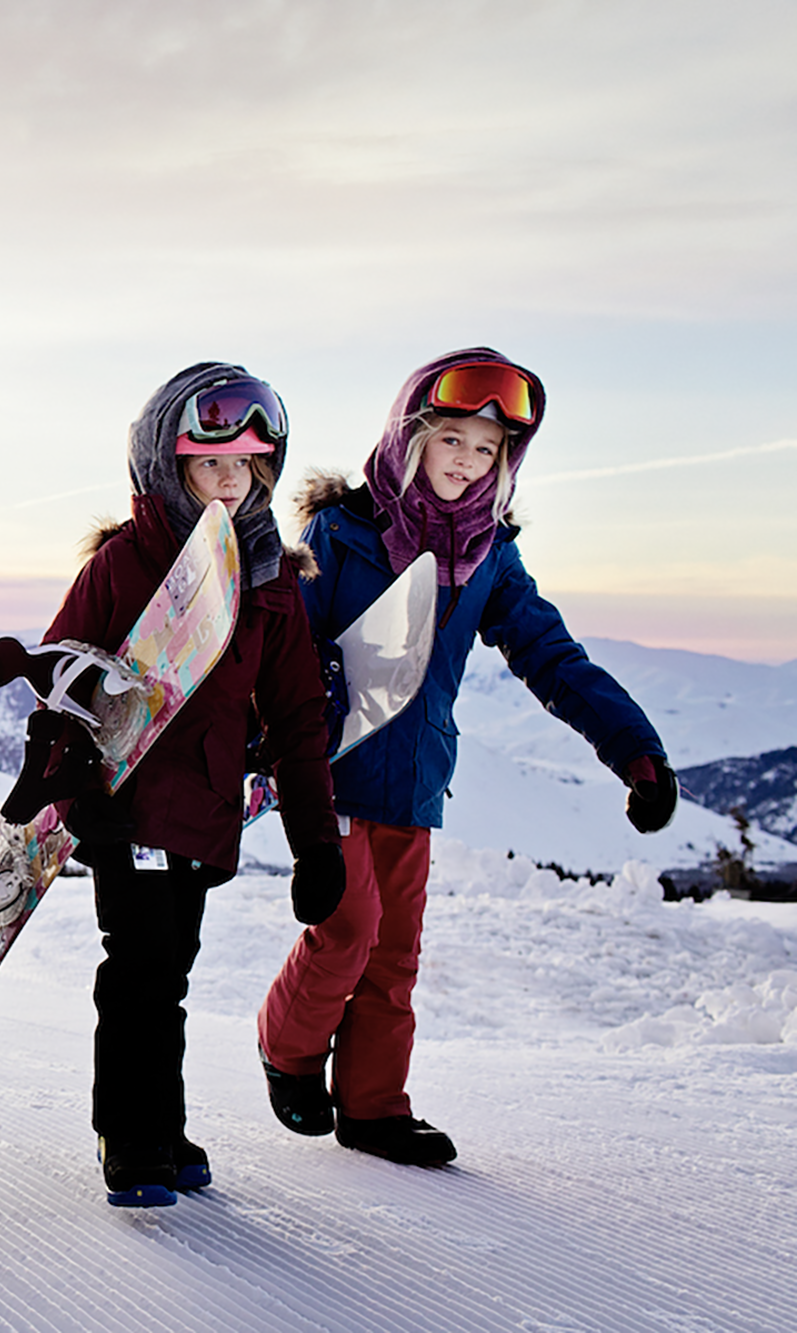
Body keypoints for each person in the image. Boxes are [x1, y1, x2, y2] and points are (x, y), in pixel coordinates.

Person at [256, 349, 677, 1167]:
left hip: (415, 779)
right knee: (348, 929)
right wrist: (275, 727)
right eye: (453, 439)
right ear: (412, 436)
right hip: (333, 769)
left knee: (395, 954)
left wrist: (635, 751)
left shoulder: (489, 556)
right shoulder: (343, 531)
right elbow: (287, 639)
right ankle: (290, 1051)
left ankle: (374, 1108)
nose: (468, 461)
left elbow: (552, 655)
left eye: (488, 450)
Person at [14, 364, 344, 1208]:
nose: (231, 482)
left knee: (173, 969)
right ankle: (128, 1131)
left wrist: (317, 845)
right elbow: (57, 676)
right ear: (169, 466)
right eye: (210, 464)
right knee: (140, 965)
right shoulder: (125, 565)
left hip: (202, 813)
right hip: (124, 807)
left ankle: (164, 1120)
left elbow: (301, 714)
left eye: (247, 466)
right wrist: (61, 784)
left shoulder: (268, 582)